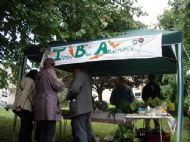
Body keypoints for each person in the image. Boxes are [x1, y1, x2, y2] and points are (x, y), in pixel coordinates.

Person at [34, 58, 64, 142]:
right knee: (50, 130)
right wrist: (61, 84)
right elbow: (56, 86)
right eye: (53, 64)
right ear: (51, 64)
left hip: (40, 104)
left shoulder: (39, 74)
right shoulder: (50, 71)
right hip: (49, 105)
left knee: (43, 129)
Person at [66, 65, 95, 142]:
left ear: (76, 69)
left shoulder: (80, 75)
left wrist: (68, 96)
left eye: (73, 71)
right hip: (87, 108)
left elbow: (74, 90)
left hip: (80, 109)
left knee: (80, 131)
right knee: (87, 130)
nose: (73, 74)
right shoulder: (87, 75)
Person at [12, 69, 38, 142]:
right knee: (26, 127)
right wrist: (19, 106)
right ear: (34, 75)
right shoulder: (30, 81)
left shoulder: (25, 79)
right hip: (24, 107)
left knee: (27, 126)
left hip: (23, 107)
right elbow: (25, 93)